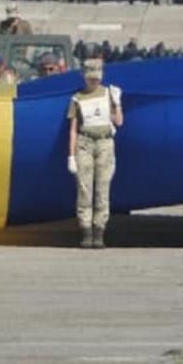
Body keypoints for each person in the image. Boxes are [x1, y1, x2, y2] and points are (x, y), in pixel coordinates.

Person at [66, 58, 122, 249]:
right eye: (91, 78)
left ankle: (99, 232)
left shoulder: (108, 94)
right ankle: (86, 232)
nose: (94, 81)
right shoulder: (77, 98)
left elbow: (119, 122)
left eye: (96, 78)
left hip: (105, 142)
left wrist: (117, 103)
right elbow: (73, 128)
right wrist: (71, 155)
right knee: (84, 189)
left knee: (102, 189)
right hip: (85, 143)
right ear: (84, 76)